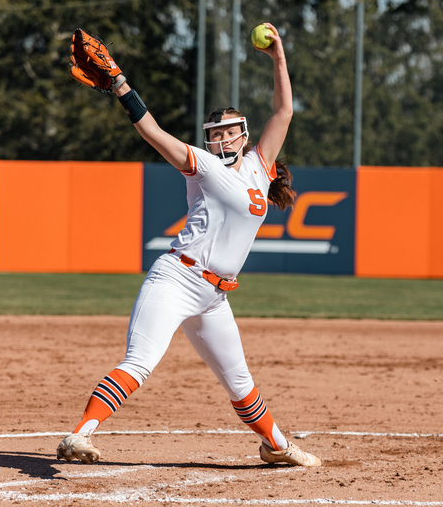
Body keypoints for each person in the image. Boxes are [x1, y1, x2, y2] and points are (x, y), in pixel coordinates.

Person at [57, 24, 320, 467]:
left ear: (244, 133)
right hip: (177, 277)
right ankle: (78, 435)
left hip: (214, 296)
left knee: (240, 383)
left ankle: (277, 446)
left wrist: (278, 56)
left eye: (227, 131)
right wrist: (122, 86)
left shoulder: (259, 166)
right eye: (214, 133)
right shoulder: (203, 168)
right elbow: (153, 132)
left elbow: (285, 110)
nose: (220, 139)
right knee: (139, 362)